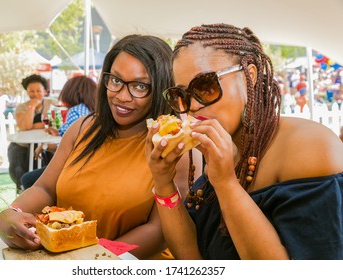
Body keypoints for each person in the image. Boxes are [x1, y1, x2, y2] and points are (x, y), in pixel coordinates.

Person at [146, 23, 343, 260]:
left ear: (250, 74)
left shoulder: (311, 145)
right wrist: (164, 183)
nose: (194, 106)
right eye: (181, 96)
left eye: (206, 87)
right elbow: (191, 259)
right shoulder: (223, 147)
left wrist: (226, 183)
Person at [0, 34, 202, 260]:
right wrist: (10, 213)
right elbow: (45, 188)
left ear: (162, 87)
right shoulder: (82, 128)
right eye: (115, 81)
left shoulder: (176, 143)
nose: (122, 96)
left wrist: (93, 259)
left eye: (140, 86)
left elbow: (159, 230)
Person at [20, 75, 97, 189]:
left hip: (75, 166)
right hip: (89, 164)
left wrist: (45, 146)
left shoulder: (75, 111)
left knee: (27, 179)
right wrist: (58, 132)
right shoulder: (90, 110)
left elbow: (70, 146)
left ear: (71, 92)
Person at [7, 74, 57, 191]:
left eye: (38, 90)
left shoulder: (53, 103)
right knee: (19, 165)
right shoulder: (21, 107)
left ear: (45, 91)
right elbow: (25, 126)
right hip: (24, 146)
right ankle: (23, 191)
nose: (35, 94)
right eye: (31, 91)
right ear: (27, 92)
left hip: (47, 144)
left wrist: (32, 126)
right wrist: (31, 107)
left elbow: (55, 123)